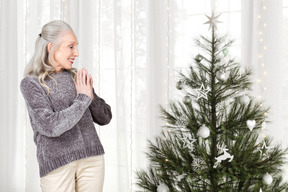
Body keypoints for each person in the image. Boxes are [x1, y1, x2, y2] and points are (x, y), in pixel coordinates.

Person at [20, 20, 112, 192]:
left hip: (92, 160)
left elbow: (105, 117)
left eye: (76, 47)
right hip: (57, 164)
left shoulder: (76, 76)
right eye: (71, 46)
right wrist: (83, 98)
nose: (76, 53)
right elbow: (50, 126)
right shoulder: (31, 83)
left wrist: (90, 95)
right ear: (51, 47)